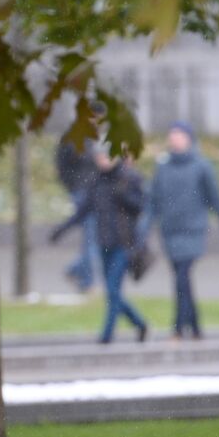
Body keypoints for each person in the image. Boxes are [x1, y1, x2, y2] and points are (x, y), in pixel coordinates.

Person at [146, 121, 219, 340]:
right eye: (172, 134)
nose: (175, 139)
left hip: (192, 233)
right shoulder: (163, 166)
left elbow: (217, 201)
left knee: (181, 277)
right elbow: (153, 202)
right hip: (170, 233)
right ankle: (196, 327)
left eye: (179, 134)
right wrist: (142, 231)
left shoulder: (201, 166)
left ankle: (178, 327)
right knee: (182, 280)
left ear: (189, 138)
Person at [50, 142, 149, 344]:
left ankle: (106, 336)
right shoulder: (96, 182)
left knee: (113, 290)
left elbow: (140, 206)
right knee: (112, 292)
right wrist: (61, 230)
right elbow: (83, 211)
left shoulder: (129, 178)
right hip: (104, 243)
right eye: (100, 156)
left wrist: (123, 195)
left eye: (107, 156)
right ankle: (139, 323)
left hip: (124, 244)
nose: (103, 160)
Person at [54, 137, 100, 292]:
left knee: (92, 239)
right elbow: (63, 165)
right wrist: (74, 185)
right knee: (91, 238)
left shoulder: (93, 140)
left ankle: (77, 271)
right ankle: (85, 279)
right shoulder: (75, 139)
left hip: (93, 191)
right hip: (83, 191)